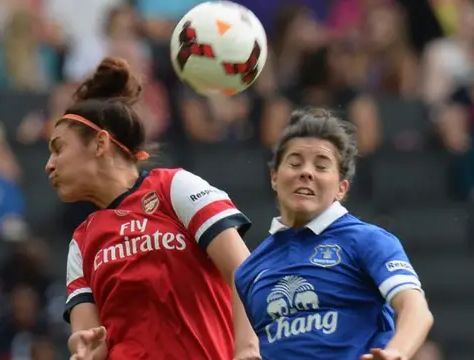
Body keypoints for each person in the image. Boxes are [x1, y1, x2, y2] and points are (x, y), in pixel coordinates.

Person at [44, 57, 260, 360]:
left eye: (58, 148)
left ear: (99, 143)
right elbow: (89, 337)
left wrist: (248, 349)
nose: (49, 165)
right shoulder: (82, 241)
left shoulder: (174, 188)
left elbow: (245, 272)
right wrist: (86, 350)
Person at [234, 108, 434, 360]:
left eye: (321, 166)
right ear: (274, 177)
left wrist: (396, 353)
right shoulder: (249, 270)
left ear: (341, 188)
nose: (306, 172)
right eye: (295, 163)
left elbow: (415, 308)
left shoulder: (368, 240)